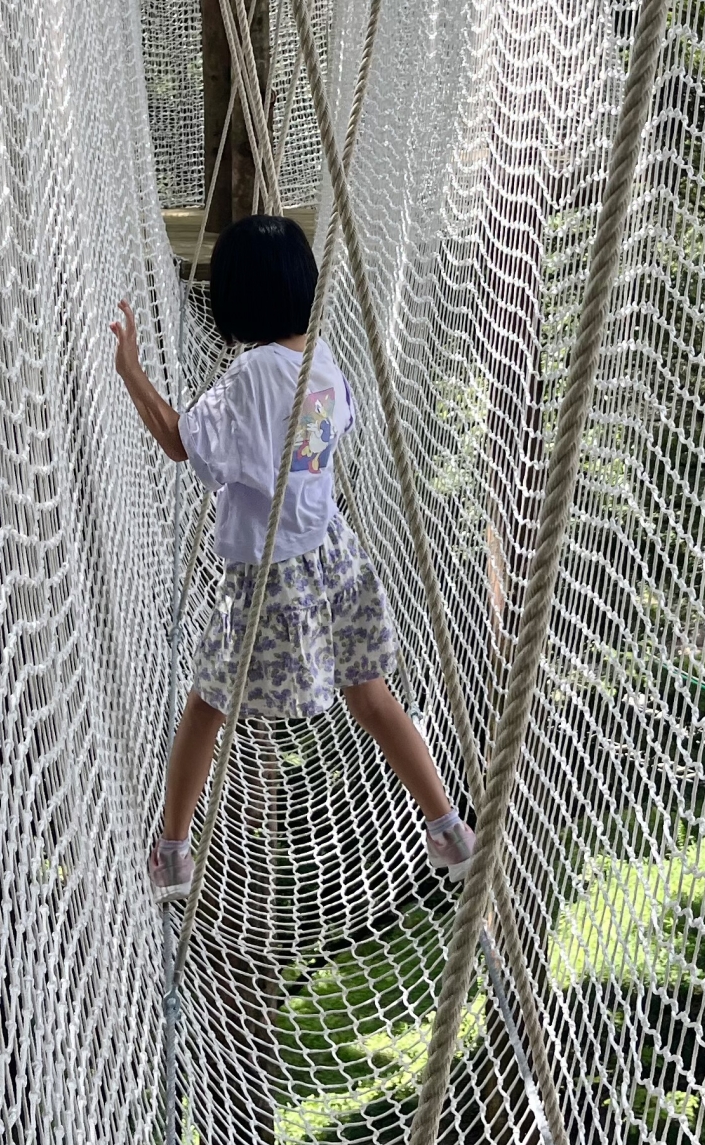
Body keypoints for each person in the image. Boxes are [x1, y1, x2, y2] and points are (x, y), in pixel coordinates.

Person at [110, 214, 473, 902]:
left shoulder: (249, 374)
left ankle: (174, 852)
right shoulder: (322, 362)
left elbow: (182, 441)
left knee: (207, 703)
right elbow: (328, 430)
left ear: (237, 298)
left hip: (268, 575)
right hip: (333, 557)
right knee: (372, 695)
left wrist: (132, 372)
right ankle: (449, 828)